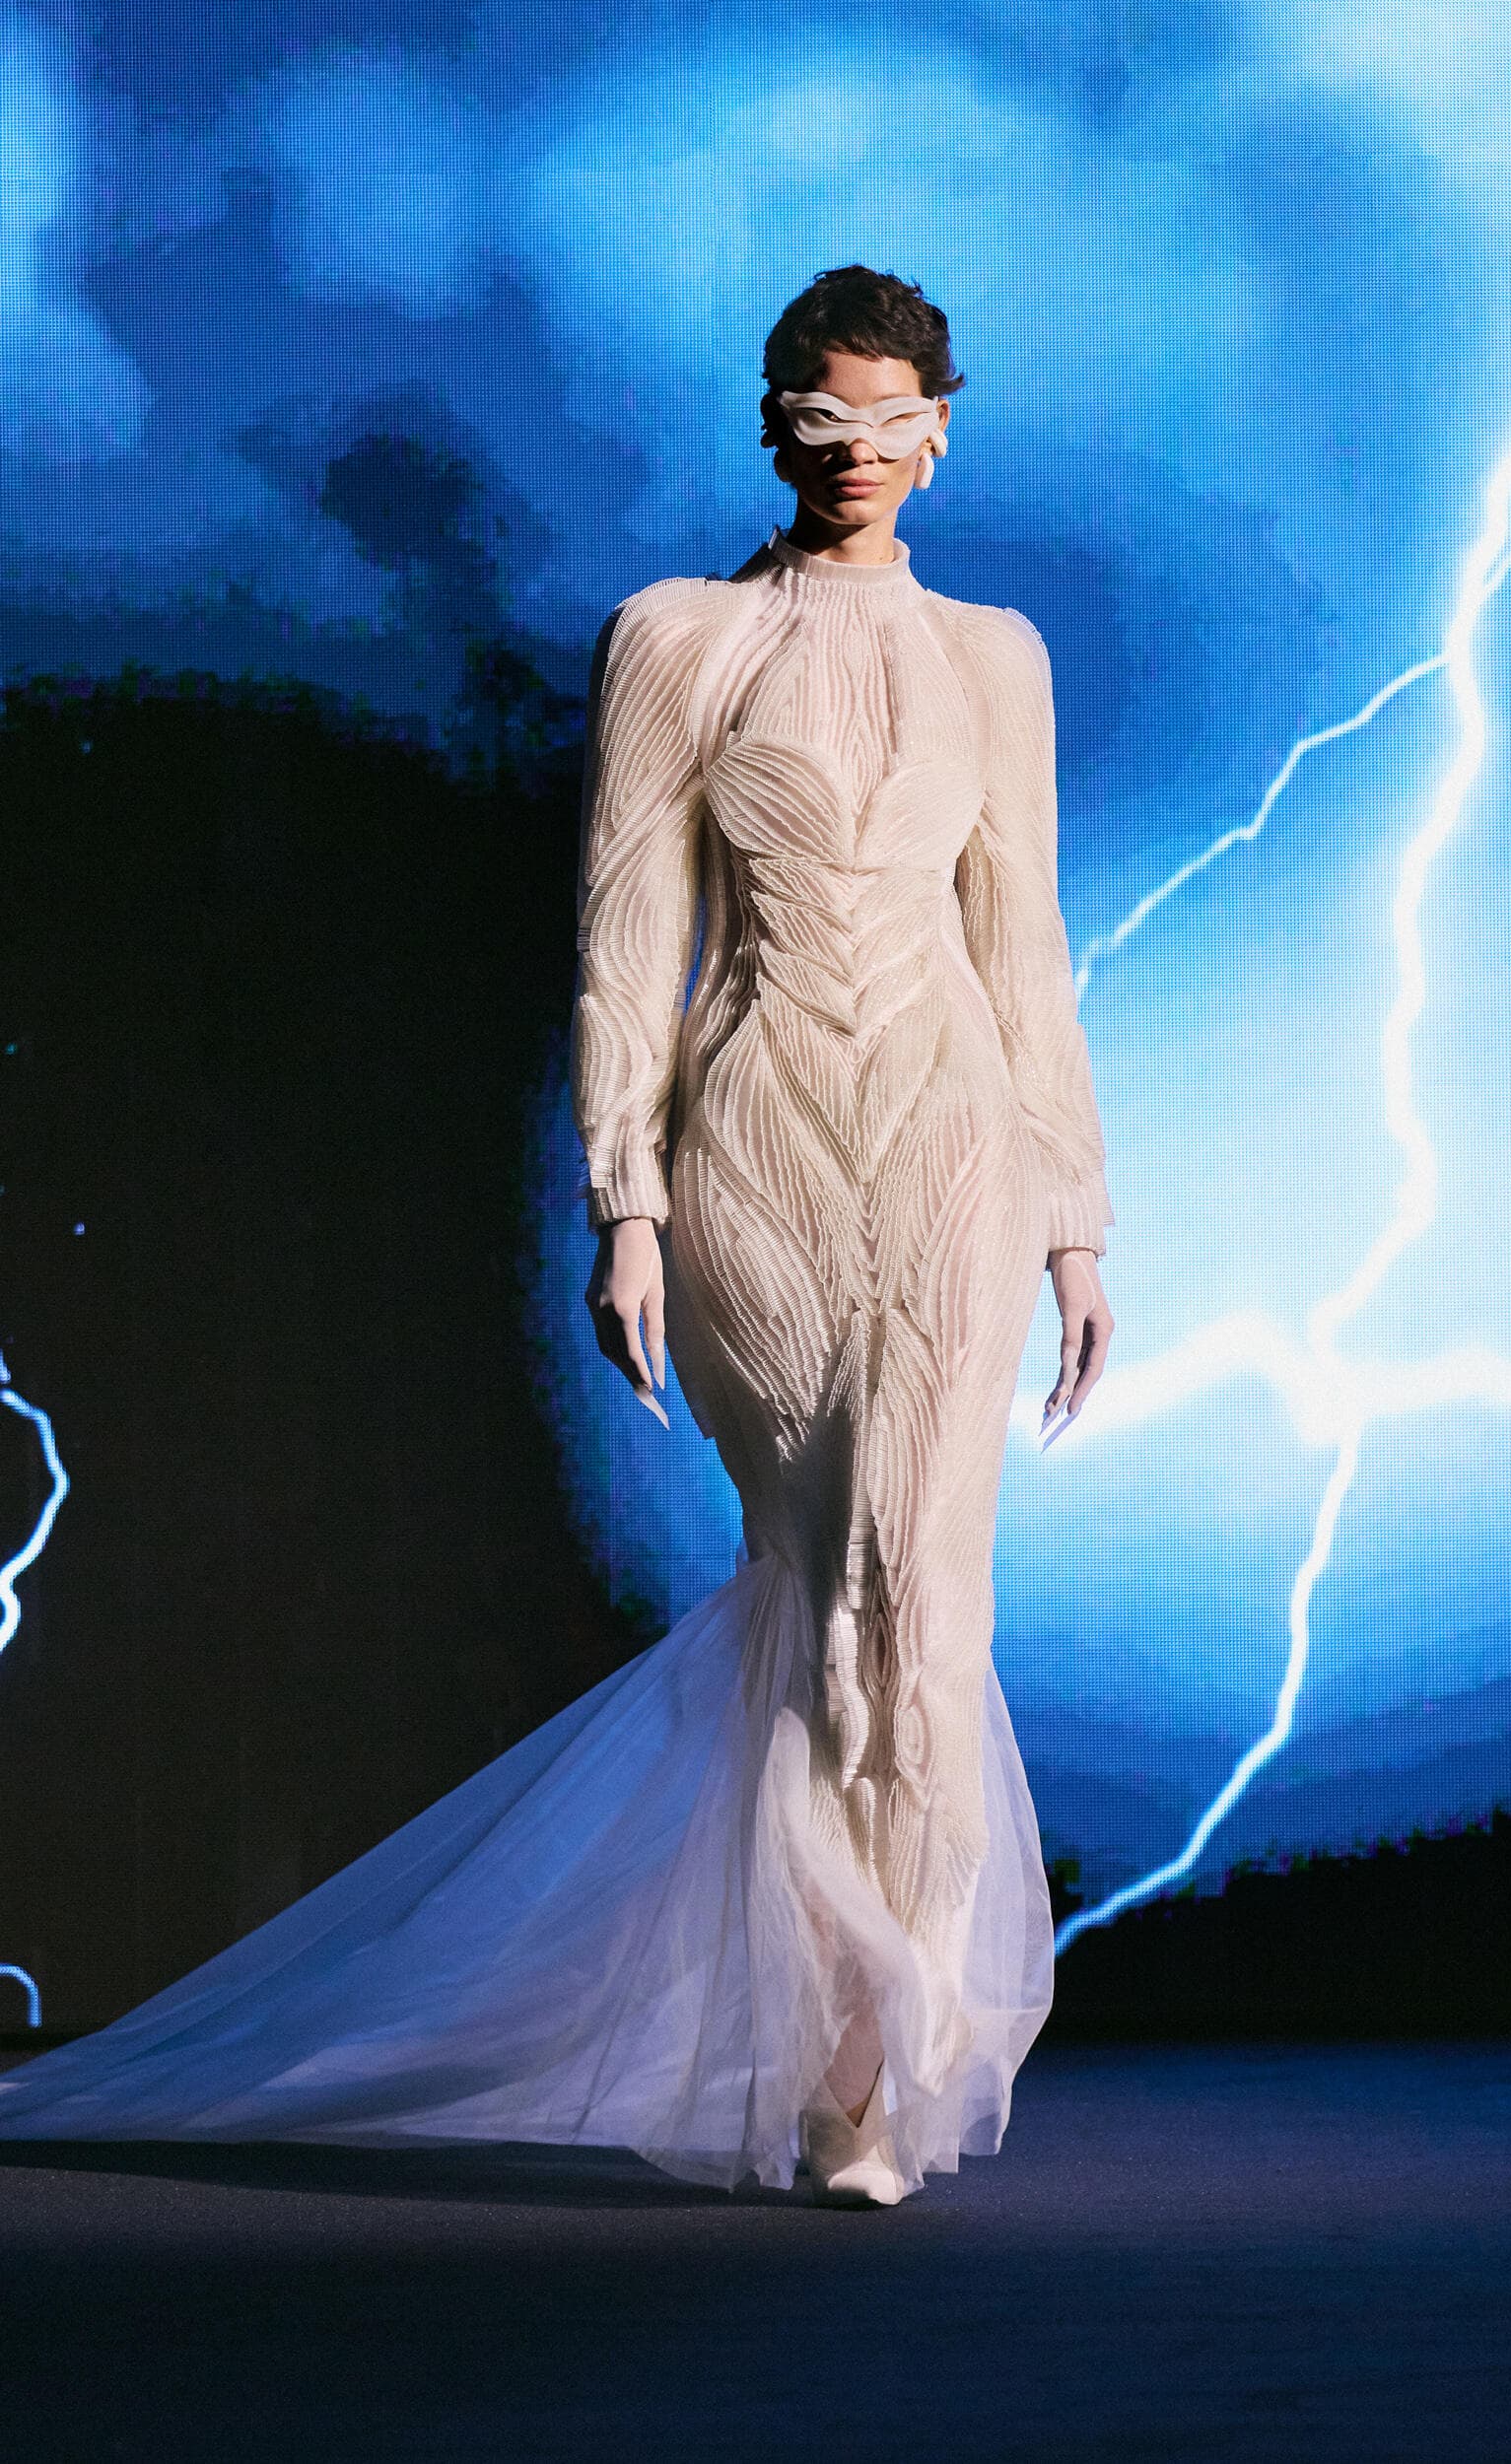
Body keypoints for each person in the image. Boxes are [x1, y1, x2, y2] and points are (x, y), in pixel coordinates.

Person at [0, 264, 1114, 2210]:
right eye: (823, 417)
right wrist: (627, 1204)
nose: (857, 452)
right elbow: (628, 932)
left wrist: (1079, 1225)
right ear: (772, 424)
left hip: (956, 1144)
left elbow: (1025, 948)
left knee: (926, 1590)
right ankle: (833, 2038)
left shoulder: (994, 658)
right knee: (822, 1587)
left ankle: (876, 2061)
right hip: (754, 1142)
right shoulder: (676, 637)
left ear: (942, 431)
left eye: (891, 420)